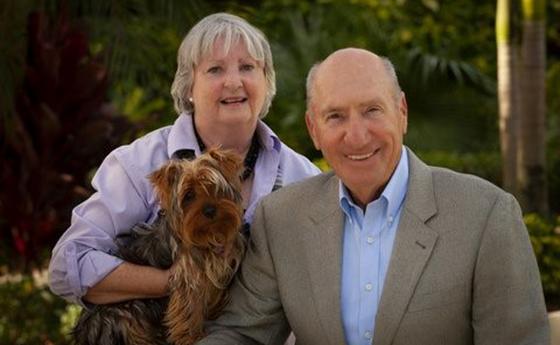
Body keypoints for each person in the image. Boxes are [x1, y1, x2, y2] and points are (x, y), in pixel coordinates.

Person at [196, 48, 550, 345]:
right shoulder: (281, 218)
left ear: (402, 112)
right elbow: (241, 334)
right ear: (313, 129)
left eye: (372, 110)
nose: (357, 135)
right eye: (335, 116)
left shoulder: (485, 215)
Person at [48, 13, 320, 308]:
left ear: (265, 81)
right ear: (189, 87)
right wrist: (174, 281)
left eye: (247, 67)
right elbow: (69, 264)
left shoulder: (302, 176)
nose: (233, 82)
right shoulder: (139, 165)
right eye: (215, 70)